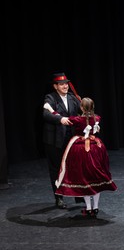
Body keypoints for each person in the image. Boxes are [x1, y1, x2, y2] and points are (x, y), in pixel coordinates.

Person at [54, 97, 117, 218]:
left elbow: (64, 119)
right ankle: (96, 207)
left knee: (84, 178)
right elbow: (91, 117)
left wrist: (53, 112)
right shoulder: (97, 118)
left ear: (81, 108)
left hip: (81, 149)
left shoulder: (77, 119)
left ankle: (88, 208)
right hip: (96, 148)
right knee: (96, 178)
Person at [42, 72, 81, 209]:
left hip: (71, 140)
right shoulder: (50, 98)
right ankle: (58, 198)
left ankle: (78, 195)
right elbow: (46, 114)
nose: (65, 86)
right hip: (55, 141)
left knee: (75, 167)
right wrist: (60, 119)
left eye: (66, 84)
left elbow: (82, 110)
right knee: (56, 170)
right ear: (55, 86)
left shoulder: (72, 97)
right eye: (61, 84)